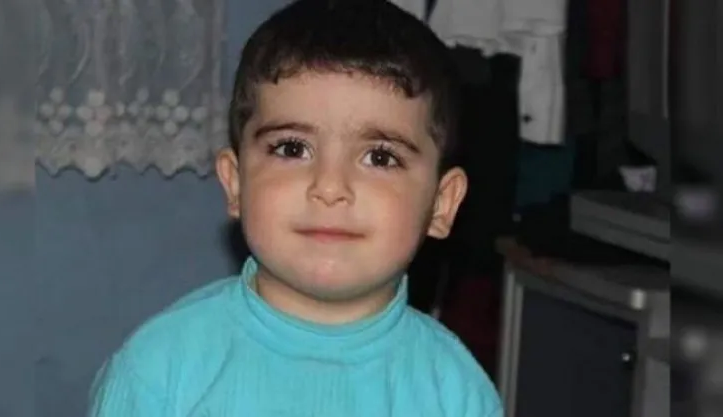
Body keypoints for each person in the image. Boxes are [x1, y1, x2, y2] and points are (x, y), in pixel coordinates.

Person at [88, 0, 502, 415]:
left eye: (380, 157)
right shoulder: (158, 373)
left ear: (441, 204)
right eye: (292, 148)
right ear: (235, 183)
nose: (329, 187)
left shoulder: (457, 394)